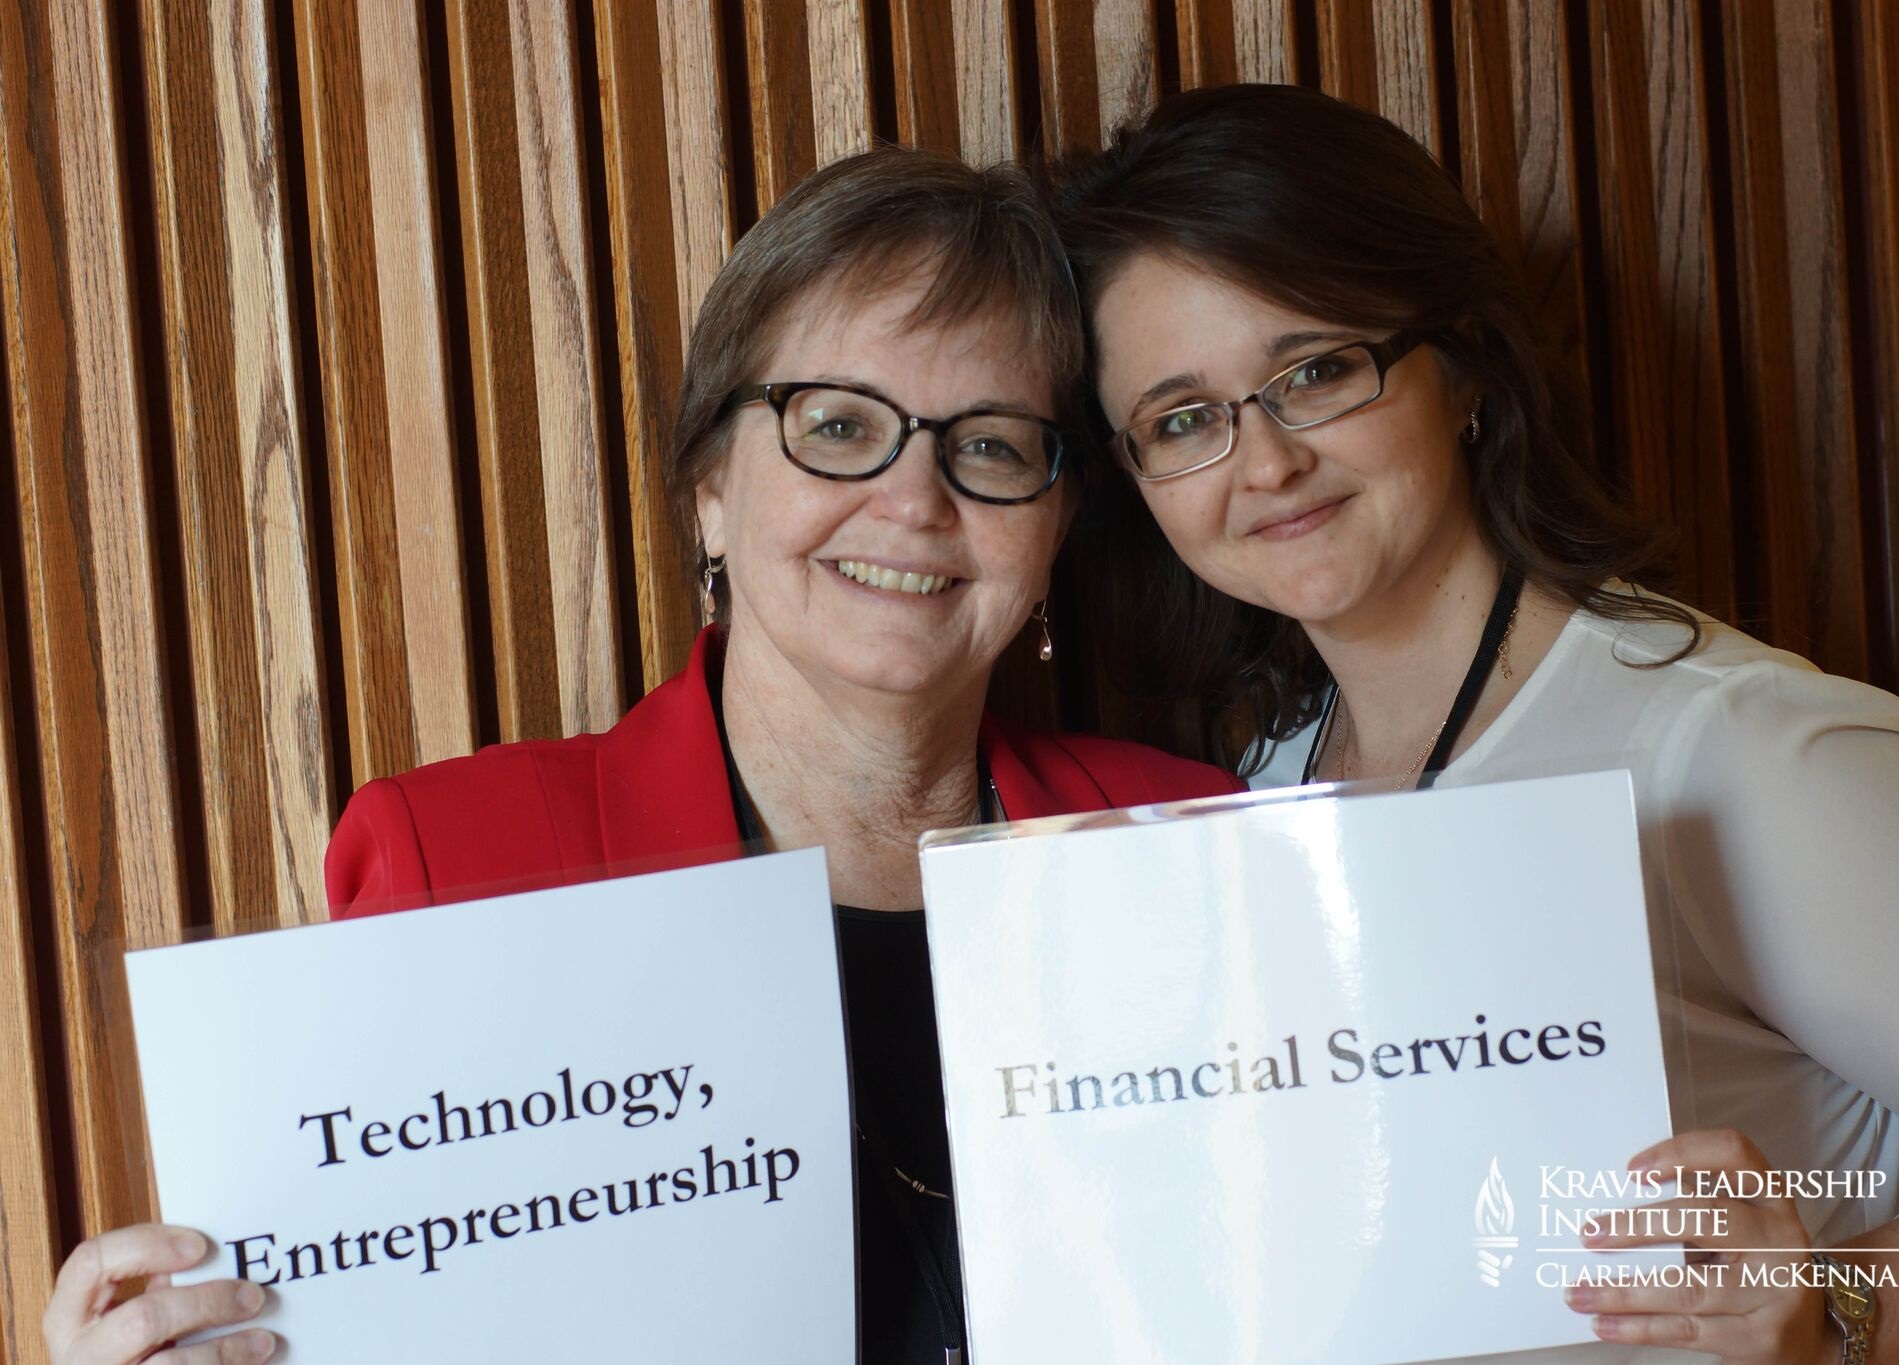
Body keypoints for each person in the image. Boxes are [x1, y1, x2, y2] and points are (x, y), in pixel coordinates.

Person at [43, 146, 1240, 1365]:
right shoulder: (454, 860)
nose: (914, 499)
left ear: (1056, 522)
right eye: (838, 426)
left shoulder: (1198, 843)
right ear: (713, 491)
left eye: (987, 445)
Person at [1052, 83, 1898, 1365]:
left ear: (1463, 371)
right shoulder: (1264, 794)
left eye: (1316, 370)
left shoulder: (1739, 752)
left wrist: (1846, 1311)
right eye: (1184, 420)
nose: (1264, 462)